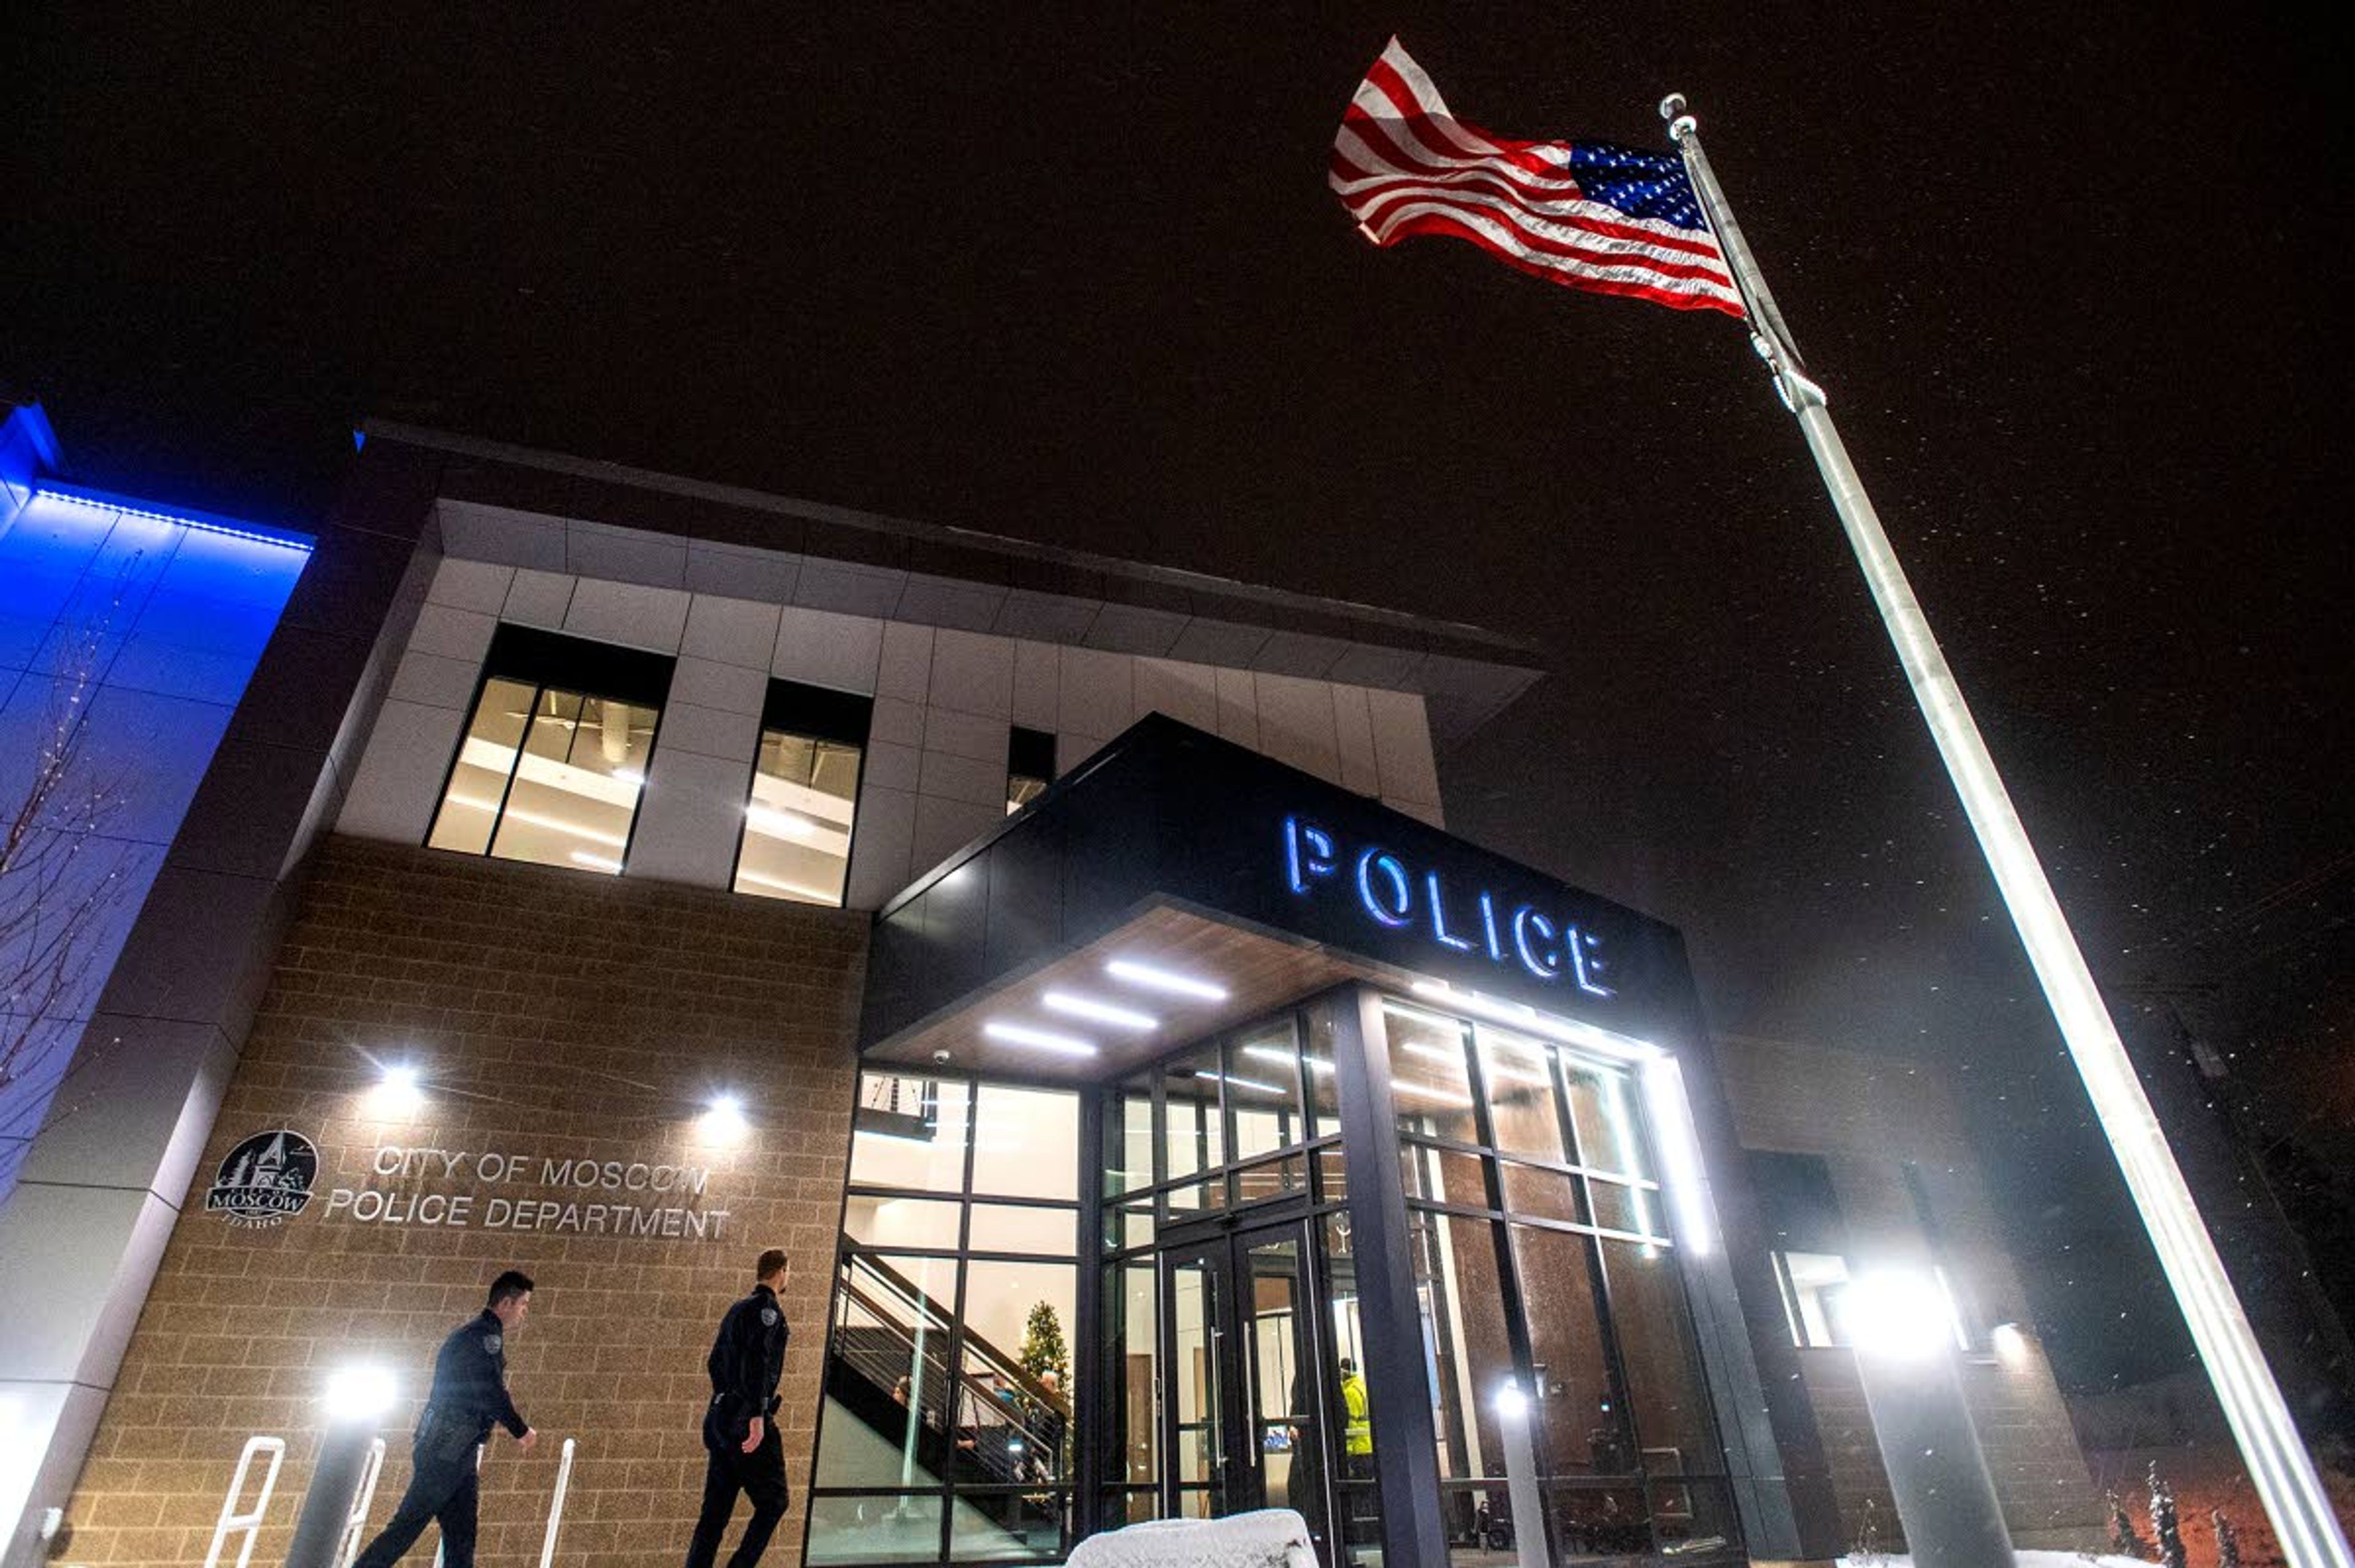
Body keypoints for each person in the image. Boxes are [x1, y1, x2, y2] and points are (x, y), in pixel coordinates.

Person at [352, 1270, 540, 1568]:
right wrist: (521, 1430)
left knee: (462, 1535)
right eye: (523, 1305)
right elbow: (489, 1391)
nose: (524, 1313)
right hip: (447, 1447)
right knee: (408, 1526)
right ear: (505, 1303)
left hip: (457, 1449)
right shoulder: (483, 1336)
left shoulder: (478, 1335)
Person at [684, 1248, 792, 1568]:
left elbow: (714, 1361)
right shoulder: (766, 1309)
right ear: (781, 1272)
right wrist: (757, 1414)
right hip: (747, 1421)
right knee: (775, 1501)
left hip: (719, 1418)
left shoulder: (736, 1309)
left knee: (714, 1515)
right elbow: (758, 1361)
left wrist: (725, 1398)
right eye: (789, 1271)